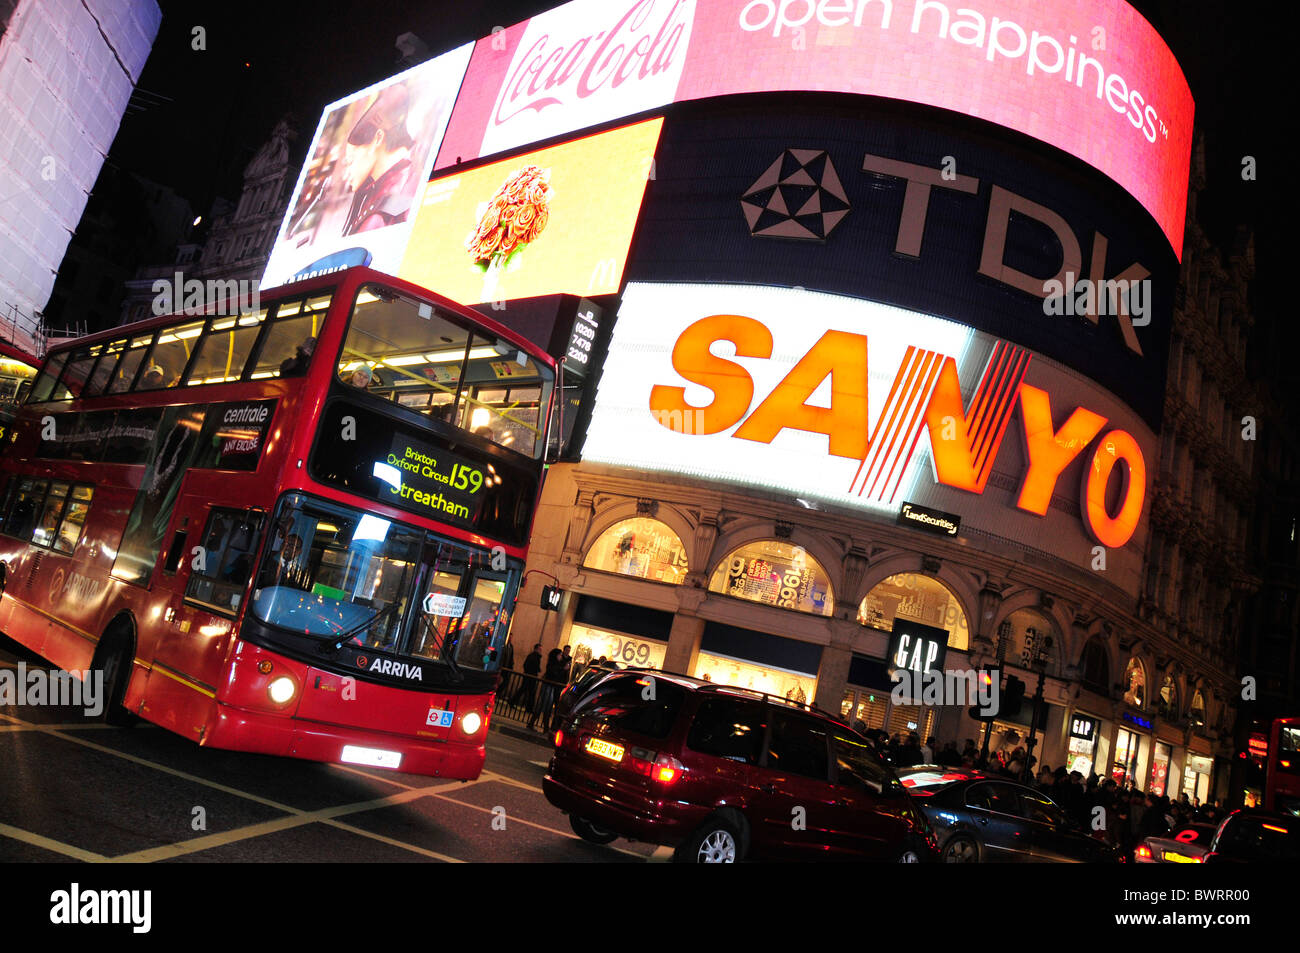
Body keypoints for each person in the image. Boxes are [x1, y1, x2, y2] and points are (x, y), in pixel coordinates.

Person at [342, 84, 418, 235]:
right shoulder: (407, 175)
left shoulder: (380, 216)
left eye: (350, 161)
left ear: (378, 138)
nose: (346, 174)